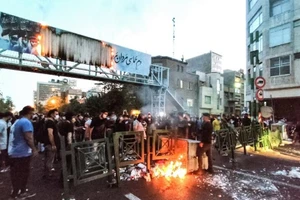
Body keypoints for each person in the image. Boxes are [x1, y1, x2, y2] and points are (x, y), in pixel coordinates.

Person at [8, 106, 37, 199]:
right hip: (22, 153)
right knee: (23, 173)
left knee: (15, 174)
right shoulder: (26, 122)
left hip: (14, 152)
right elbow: (28, 138)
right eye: (33, 113)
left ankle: (15, 192)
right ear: (29, 113)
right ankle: (21, 192)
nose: (33, 115)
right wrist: (34, 149)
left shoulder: (17, 122)